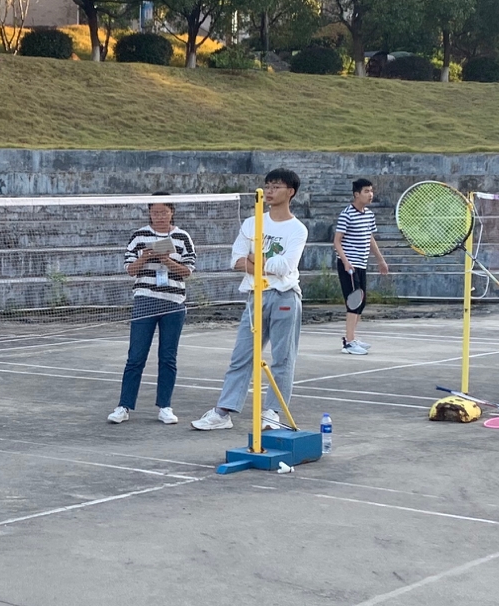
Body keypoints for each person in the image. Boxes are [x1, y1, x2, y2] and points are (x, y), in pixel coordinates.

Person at [192, 168, 308, 432]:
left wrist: (255, 259)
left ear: (290, 192)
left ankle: (272, 412)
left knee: (283, 358)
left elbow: (285, 267)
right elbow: (237, 260)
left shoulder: (297, 229)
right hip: (255, 295)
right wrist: (262, 263)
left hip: (285, 296)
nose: (269, 191)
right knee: (242, 355)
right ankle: (223, 411)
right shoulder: (251, 223)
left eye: (276, 187)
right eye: (267, 186)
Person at [108, 199, 196, 425]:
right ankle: (124, 406)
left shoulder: (182, 237)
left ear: (171, 212)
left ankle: (165, 406)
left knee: (168, 357)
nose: (159, 216)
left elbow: (188, 271)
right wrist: (145, 257)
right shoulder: (139, 236)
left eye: (163, 212)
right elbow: (130, 270)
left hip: (173, 303)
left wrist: (167, 261)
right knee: (136, 356)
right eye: (155, 212)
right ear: (149, 213)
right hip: (145, 300)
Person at [334, 178, 391, 355]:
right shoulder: (347, 214)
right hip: (349, 265)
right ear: (356, 194)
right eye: (366, 191)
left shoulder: (369, 215)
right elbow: (337, 241)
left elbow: (370, 238)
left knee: (361, 301)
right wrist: (345, 261)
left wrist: (380, 260)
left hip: (361, 263)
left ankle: (351, 337)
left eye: (371, 191)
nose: (370, 194)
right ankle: (349, 343)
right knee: (354, 301)